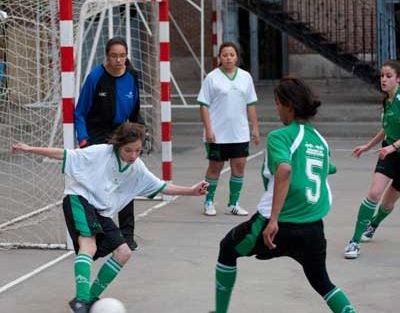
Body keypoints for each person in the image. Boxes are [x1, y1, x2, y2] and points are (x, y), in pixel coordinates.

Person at [11, 122, 208, 313]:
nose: (133, 155)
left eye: (138, 150)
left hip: (100, 209)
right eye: (128, 150)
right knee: (89, 245)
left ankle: (89, 298)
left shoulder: (137, 167)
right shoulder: (100, 152)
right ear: (118, 145)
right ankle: (81, 303)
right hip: (80, 198)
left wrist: (191, 191)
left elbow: (161, 186)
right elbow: (65, 154)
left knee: (124, 253)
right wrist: (29, 148)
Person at [210, 77, 356, 313]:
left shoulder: (281, 136)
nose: (276, 108)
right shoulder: (320, 140)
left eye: (277, 103)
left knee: (228, 249)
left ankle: (219, 311)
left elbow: (285, 170)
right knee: (323, 283)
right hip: (312, 227)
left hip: (277, 224)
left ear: (288, 105)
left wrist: (274, 219)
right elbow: (329, 168)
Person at [74, 36, 142, 250]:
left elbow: (135, 111)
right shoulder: (95, 76)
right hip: (97, 132)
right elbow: (80, 112)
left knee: (126, 180)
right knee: (97, 185)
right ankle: (95, 233)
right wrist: (84, 140)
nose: (118, 60)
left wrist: (139, 133)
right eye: (114, 56)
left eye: (122, 56)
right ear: (107, 56)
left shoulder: (132, 76)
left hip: (121, 131)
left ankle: (127, 235)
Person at [344, 59, 400, 259]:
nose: (383, 80)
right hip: (389, 152)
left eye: (388, 76)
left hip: (394, 150)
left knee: (387, 204)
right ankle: (354, 242)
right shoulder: (387, 101)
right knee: (374, 194)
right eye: (382, 76)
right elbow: (387, 128)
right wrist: (368, 146)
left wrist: (393, 147)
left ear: (398, 79)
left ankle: (373, 224)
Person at [197, 41, 260, 217]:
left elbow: (251, 104)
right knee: (214, 168)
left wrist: (255, 128)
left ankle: (234, 203)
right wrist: (208, 129)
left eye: (231, 54)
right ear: (220, 57)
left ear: (237, 57)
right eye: (224, 55)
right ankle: (208, 201)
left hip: (239, 132)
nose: (228, 58)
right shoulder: (212, 77)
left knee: (239, 168)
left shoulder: (245, 77)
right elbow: (203, 105)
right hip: (218, 133)